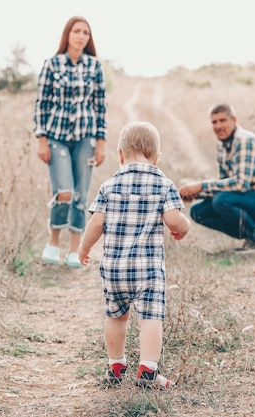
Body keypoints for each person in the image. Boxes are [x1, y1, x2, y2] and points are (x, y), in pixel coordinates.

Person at [78, 121, 191, 389]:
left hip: (115, 269)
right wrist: (183, 229)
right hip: (148, 271)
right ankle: (148, 372)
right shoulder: (163, 184)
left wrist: (84, 249)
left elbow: (96, 224)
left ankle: (115, 365)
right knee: (151, 318)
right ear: (156, 156)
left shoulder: (109, 185)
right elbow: (174, 220)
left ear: (119, 154)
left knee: (116, 317)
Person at [33, 15, 107, 268]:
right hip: (56, 138)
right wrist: (41, 140)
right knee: (64, 192)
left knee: (80, 195)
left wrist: (101, 142)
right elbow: (41, 104)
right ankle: (53, 241)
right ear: (68, 34)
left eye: (85, 32)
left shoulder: (95, 67)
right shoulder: (52, 65)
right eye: (77, 31)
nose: (81, 36)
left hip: (86, 138)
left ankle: (75, 250)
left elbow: (100, 106)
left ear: (89, 38)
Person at [179, 103, 255, 253]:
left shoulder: (244, 141)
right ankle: (251, 238)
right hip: (252, 199)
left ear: (234, 120)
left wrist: (201, 185)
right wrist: (196, 194)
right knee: (198, 211)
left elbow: (240, 185)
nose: (218, 126)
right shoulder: (222, 147)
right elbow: (225, 186)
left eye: (223, 120)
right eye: (214, 122)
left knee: (222, 200)